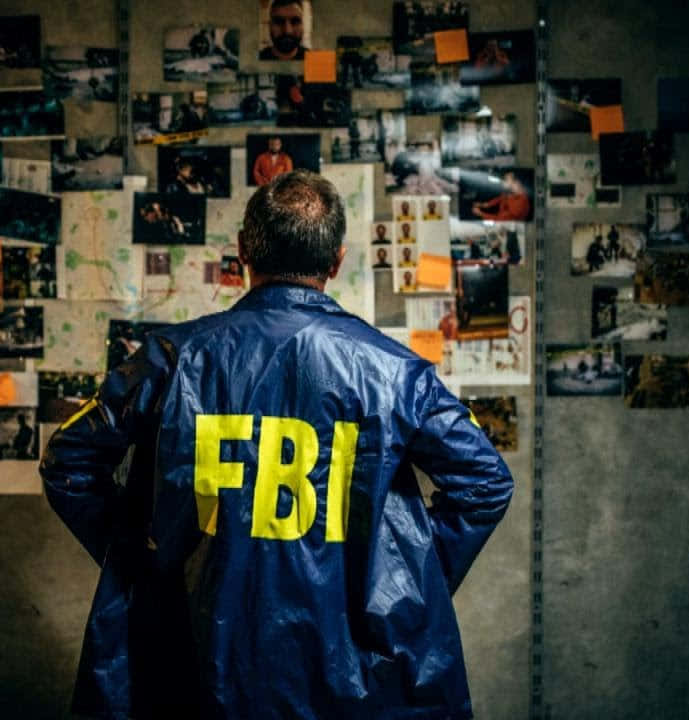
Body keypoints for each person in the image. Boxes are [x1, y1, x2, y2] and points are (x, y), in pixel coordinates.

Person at [41, 170, 512, 719]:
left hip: (199, 656)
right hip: (350, 674)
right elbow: (485, 483)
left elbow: (68, 462)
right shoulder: (395, 372)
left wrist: (143, 562)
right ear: (336, 261)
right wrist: (406, 582)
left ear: (242, 251)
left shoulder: (172, 357)